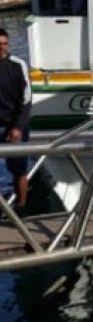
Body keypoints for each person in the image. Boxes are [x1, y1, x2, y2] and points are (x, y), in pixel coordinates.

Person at [0, 28, 32, 214]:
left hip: (14, 125)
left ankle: (21, 208)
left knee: (18, 169)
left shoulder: (18, 65)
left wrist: (18, 126)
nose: (2, 48)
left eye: (5, 44)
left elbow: (26, 100)